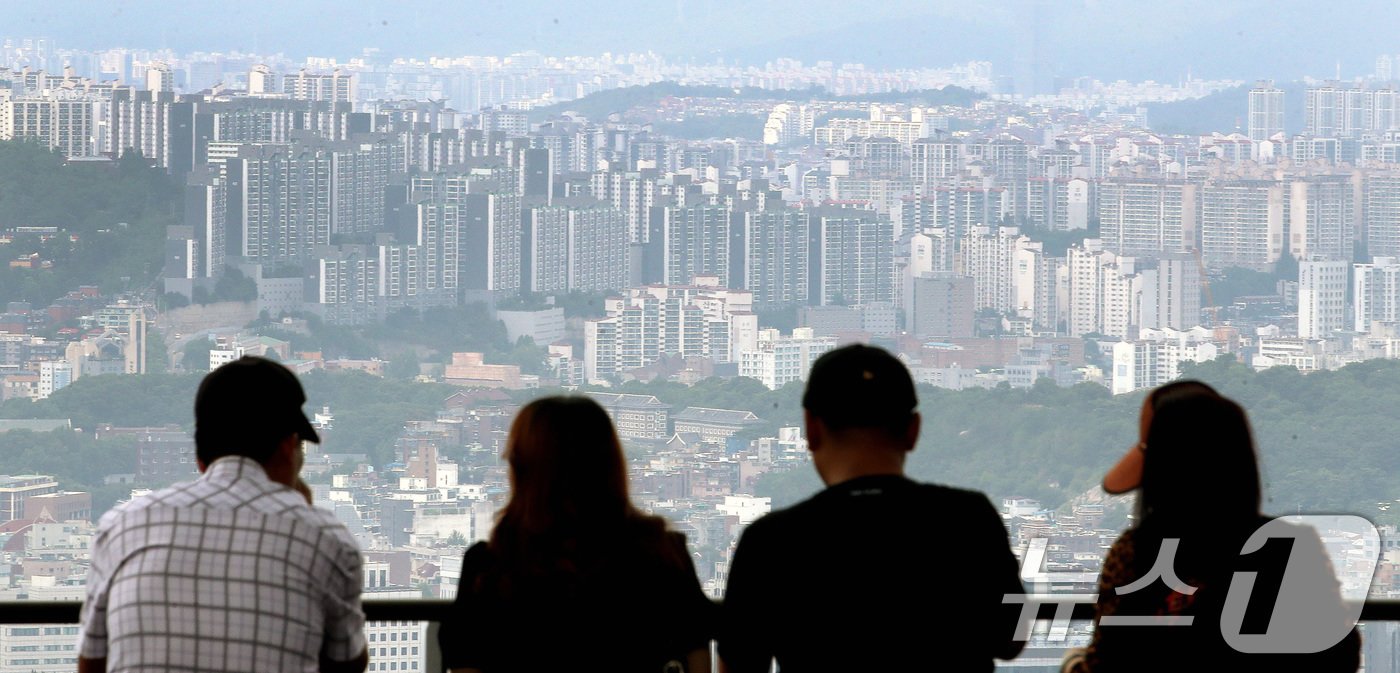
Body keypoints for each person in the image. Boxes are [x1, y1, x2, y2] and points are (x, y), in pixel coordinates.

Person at [719, 344, 1027, 673]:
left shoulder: (770, 542)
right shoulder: (968, 518)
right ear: (913, 430)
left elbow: (739, 665)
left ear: (810, 429)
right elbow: (1012, 638)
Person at [77, 356, 368, 673]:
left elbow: (91, 660)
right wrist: (304, 511)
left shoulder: (122, 525)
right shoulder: (326, 537)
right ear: (288, 446)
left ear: (201, 459)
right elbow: (347, 664)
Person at [1064, 383, 1360, 672]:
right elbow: (1338, 654)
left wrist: (1071, 663)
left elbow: (1105, 659)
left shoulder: (1134, 551)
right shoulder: (1291, 544)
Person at [438, 396, 715, 673]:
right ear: (611, 465)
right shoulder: (663, 556)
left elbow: (466, 663)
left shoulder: (488, 568)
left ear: (521, 469)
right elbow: (697, 655)